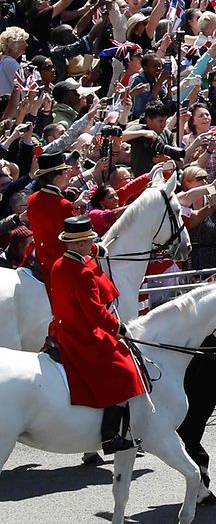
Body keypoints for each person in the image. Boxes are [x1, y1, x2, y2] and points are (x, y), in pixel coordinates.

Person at [47, 216, 145, 454]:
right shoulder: (82, 272)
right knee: (125, 372)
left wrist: (94, 250)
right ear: (80, 244)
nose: (92, 243)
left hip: (62, 328)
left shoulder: (59, 263)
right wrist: (119, 329)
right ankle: (109, 437)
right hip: (82, 334)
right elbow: (96, 313)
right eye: (89, 240)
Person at [27, 152, 76, 286]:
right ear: (57, 176)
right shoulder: (63, 205)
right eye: (65, 171)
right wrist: (96, 249)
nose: (68, 174)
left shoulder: (32, 198)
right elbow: (75, 239)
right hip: (58, 260)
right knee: (100, 284)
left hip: (38, 255)